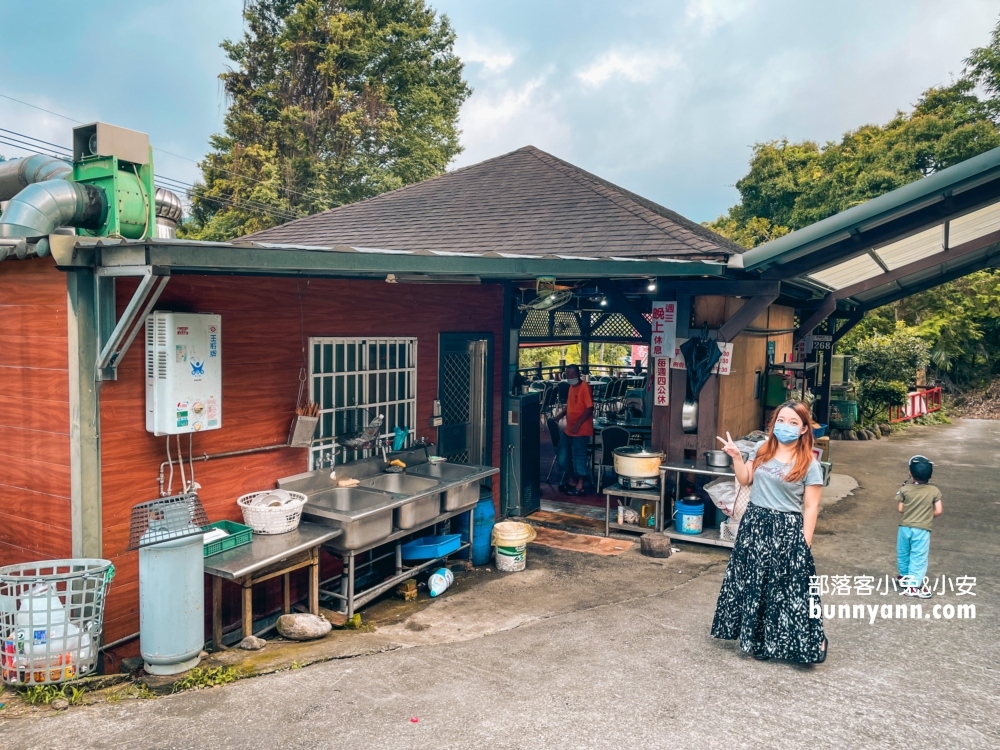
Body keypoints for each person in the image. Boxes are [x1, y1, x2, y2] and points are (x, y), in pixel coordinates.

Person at [712, 401, 828, 663]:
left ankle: (814, 639)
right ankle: (758, 639)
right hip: (755, 523)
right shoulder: (762, 448)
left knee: (790, 589)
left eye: (793, 423)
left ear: (803, 429)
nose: (785, 426)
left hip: (787, 529)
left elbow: (811, 507)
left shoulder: (810, 463)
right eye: (781, 420)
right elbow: (745, 480)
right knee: (755, 584)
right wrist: (737, 458)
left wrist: (804, 544)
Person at [896, 455, 943, 599]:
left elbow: (900, 509)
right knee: (918, 556)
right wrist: (927, 517)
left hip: (904, 528)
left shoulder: (905, 490)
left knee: (903, 553)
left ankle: (903, 577)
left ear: (911, 473)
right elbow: (939, 510)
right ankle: (913, 586)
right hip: (922, 530)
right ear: (930, 475)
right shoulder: (934, 491)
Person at [552, 365, 594, 496]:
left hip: (581, 430)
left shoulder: (585, 387)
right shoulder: (571, 387)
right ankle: (571, 480)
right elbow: (569, 405)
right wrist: (559, 415)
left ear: (578, 374)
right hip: (569, 429)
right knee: (563, 456)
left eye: (572, 373)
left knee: (579, 456)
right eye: (567, 374)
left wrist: (578, 424)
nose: (570, 376)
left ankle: (580, 484)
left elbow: (589, 408)